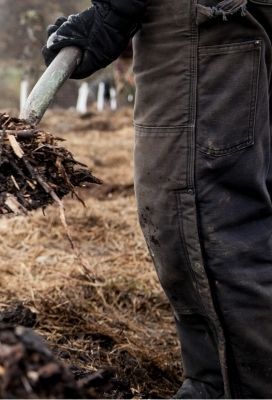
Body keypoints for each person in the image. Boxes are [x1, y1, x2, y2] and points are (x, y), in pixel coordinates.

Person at [42, 0, 272, 398]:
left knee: (199, 209)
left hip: (206, 14)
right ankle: (213, 382)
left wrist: (116, 8)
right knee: (248, 193)